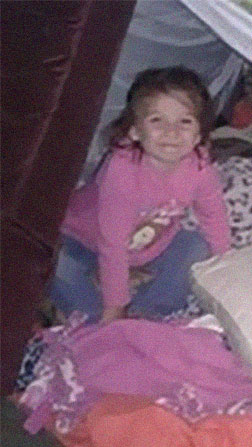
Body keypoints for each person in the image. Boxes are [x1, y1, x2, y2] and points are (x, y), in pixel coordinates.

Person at [48, 66, 231, 324]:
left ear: (199, 134)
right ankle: (95, 314)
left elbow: (214, 218)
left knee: (196, 247)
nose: (171, 132)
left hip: (149, 249)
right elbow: (112, 244)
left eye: (185, 122)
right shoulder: (122, 170)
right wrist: (115, 308)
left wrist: (227, 271)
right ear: (134, 131)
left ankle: (148, 313)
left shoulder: (201, 167)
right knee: (51, 263)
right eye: (157, 120)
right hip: (85, 243)